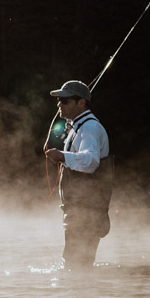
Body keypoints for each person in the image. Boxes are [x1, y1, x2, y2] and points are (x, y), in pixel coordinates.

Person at [43, 79, 112, 266]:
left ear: (81, 102)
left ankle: (79, 295)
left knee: (76, 264)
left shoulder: (89, 127)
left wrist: (62, 156)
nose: (59, 104)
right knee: (76, 263)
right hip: (80, 209)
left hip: (87, 210)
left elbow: (90, 161)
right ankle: (79, 294)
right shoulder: (79, 126)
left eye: (65, 101)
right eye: (59, 100)